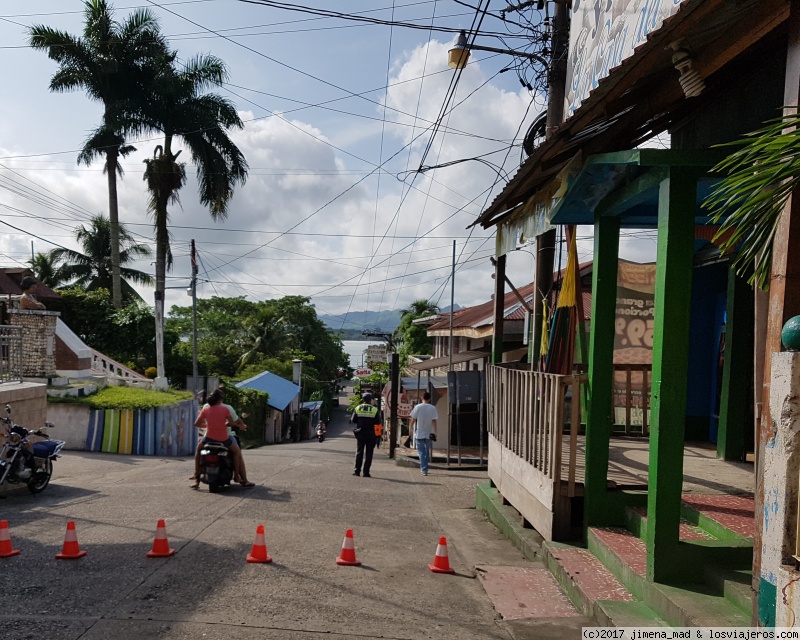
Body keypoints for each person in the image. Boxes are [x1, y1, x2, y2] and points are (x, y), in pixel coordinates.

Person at [191, 389, 253, 488]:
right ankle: (238, 477)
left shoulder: (206, 408)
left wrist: (208, 426)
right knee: (237, 453)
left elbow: (197, 423)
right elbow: (234, 423)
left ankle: (196, 476)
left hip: (208, 437)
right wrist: (227, 425)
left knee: (199, 451)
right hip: (224, 438)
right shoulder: (227, 409)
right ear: (221, 399)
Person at [351, 392, 380, 477]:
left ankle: (357, 471)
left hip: (360, 433)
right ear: (370, 400)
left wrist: (360, 422)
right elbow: (378, 424)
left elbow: (353, 420)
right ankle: (366, 472)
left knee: (359, 452)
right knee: (369, 453)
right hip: (371, 435)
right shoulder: (374, 410)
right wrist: (378, 436)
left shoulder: (358, 408)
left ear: (363, 399)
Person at [409, 392, 438, 477]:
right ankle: (425, 468)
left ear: (422, 398)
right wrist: (435, 432)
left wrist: (410, 428)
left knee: (421, 452)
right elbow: (434, 421)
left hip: (419, 433)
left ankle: (424, 469)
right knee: (426, 451)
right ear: (429, 399)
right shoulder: (433, 408)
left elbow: (413, 419)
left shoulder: (417, 407)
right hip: (429, 433)